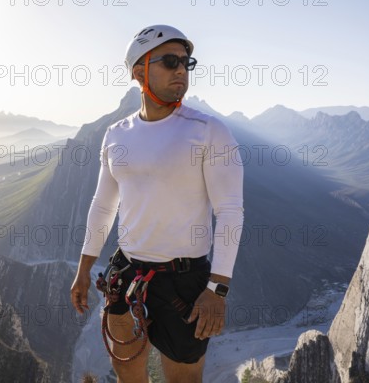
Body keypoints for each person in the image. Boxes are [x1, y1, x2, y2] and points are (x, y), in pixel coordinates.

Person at [70, 25, 244, 383]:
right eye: (169, 61)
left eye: (186, 62)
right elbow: (103, 205)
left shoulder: (209, 131)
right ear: (139, 72)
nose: (181, 70)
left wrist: (217, 289)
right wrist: (83, 269)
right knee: (127, 372)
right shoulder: (117, 134)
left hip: (185, 281)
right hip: (126, 272)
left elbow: (229, 212)